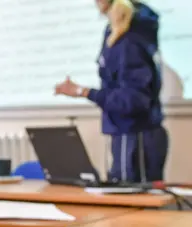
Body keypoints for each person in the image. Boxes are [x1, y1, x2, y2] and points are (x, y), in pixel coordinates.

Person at [55, 0, 168, 183]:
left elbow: (132, 100)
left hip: (135, 135)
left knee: (131, 203)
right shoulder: (122, 31)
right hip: (128, 134)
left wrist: (85, 92)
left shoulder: (129, 39)